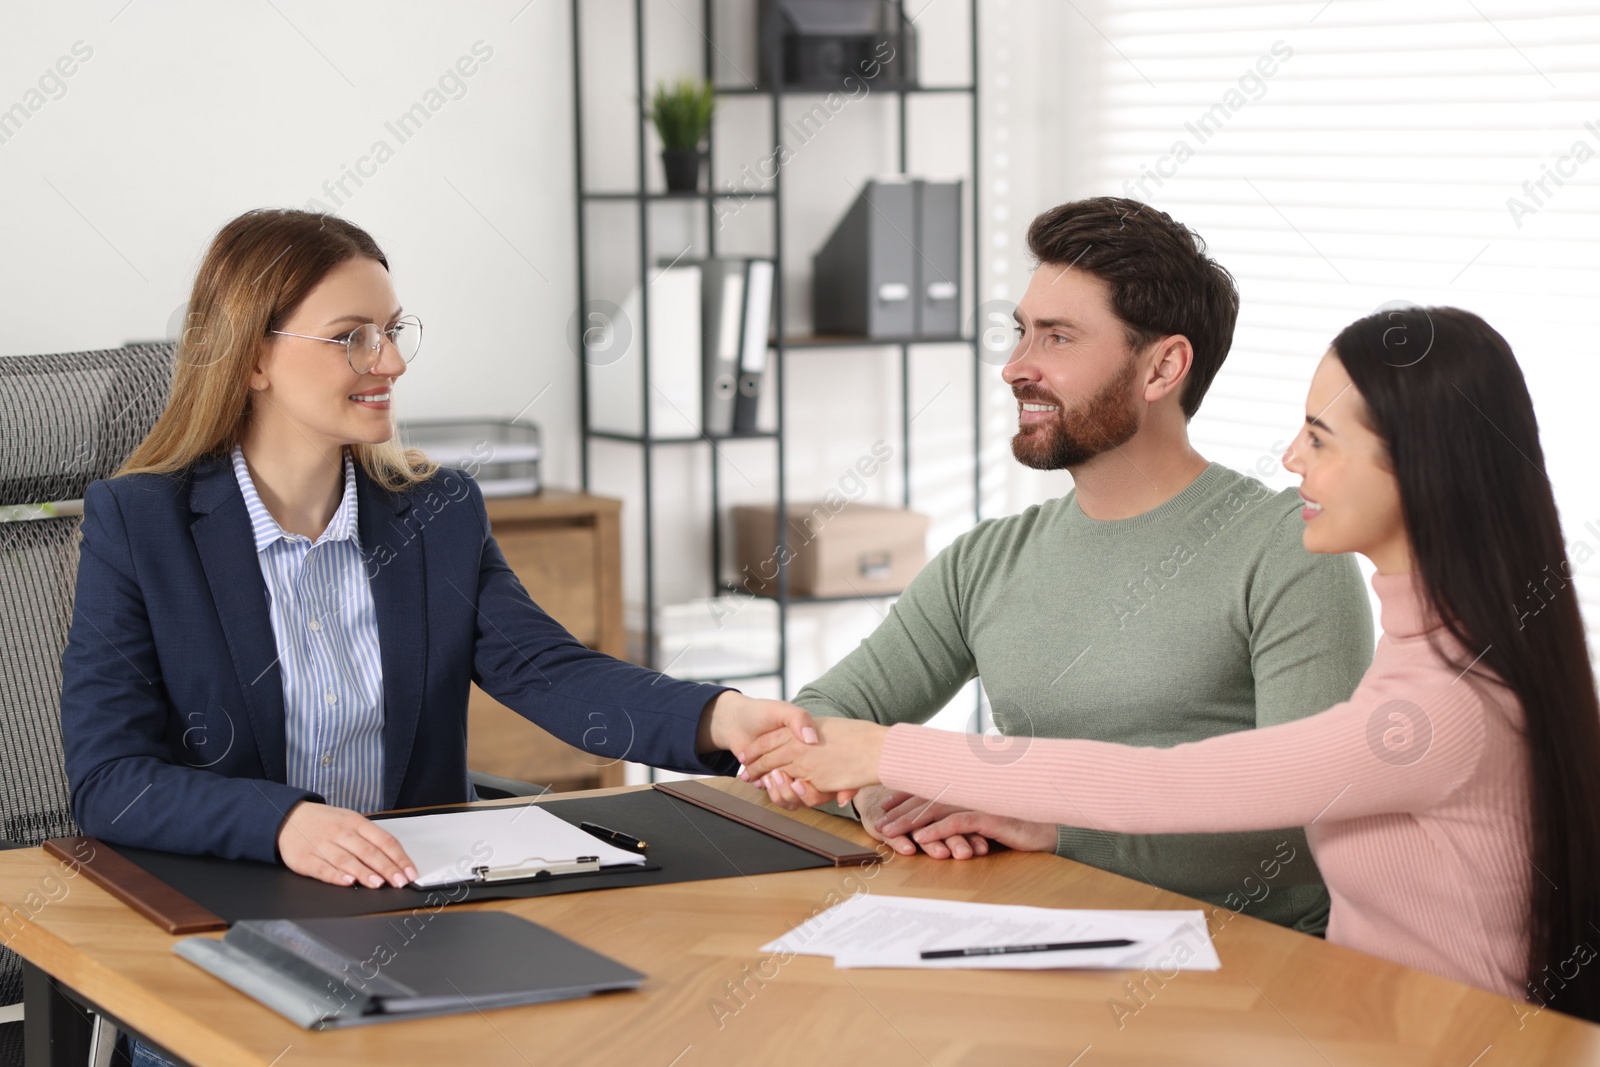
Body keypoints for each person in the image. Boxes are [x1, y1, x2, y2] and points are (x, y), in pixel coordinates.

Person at [741, 306, 1600, 1018]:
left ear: (1422, 469)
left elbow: (1180, 784)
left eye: (1320, 437)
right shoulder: (1435, 648)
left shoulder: (1443, 704)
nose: (1292, 458)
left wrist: (883, 749)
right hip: (1356, 1018)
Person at [60, 208, 820, 893]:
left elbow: (548, 670)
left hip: (411, 904)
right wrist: (284, 822)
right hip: (225, 908)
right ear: (253, 358)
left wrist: (722, 716)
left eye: (393, 331)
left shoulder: (436, 513)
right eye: (352, 336)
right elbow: (111, 778)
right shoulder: (140, 524)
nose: (390, 361)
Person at [766, 198, 1373, 935]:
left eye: (1057, 337)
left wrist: (1054, 826)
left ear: (1162, 367)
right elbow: (821, 716)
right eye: (1022, 332)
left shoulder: (1289, 549)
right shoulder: (986, 560)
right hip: (1041, 942)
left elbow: (1304, 818)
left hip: (1252, 970)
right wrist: (875, 791)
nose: (1016, 368)